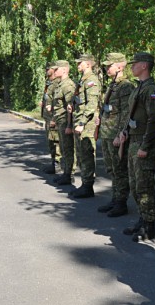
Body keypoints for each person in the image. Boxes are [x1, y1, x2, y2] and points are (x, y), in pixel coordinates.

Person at [118, 52, 155, 241]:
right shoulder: (139, 88)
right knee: (135, 185)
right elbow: (133, 116)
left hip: (144, 143)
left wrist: (145, 146)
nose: (132, 67)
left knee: (144, 186)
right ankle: (142, 219)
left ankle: (149, 224)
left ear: (144, 65)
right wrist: (124, 131)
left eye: (135, 63)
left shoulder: (151, 90)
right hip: (133, 141)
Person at [97, 52, 136, 217]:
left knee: (119, 170)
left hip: (115, 134)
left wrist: (121, 133)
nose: (106, 68)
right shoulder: (113, 85)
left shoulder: (125, 86)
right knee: (111, 169)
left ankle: (121, 202)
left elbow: (127, 113)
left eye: (109, 65)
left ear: (120, 66)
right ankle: (115, 198)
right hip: (107, 132)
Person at [69, 54, 101, 199]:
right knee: (82, 153)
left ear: (88, 64)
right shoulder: (83, 80)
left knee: (87, 153)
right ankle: (84, 184)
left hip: (86, 123)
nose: (78, 65)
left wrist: (82, 122)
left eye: (80, 63)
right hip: (79, 120)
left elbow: (91, 105)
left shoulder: (91, 81)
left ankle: (88, 186)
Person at [52, 60, 77, 186]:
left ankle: (69, 174)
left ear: (64, 70)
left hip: (65, 121)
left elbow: (70, 107)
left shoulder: (68, 85)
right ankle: (66, 172)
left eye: (56, 69)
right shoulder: (60, 84)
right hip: (60, 121)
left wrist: (69, 125)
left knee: (68, 148)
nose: (54, 71)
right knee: (63, 148)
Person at [41, 63, 62, 175]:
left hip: (54, 118)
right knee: (50, 142)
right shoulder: (49, 82)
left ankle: (58, 165)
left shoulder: (57, 83)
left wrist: (54, 118)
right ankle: (53, 162)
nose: (46, 70)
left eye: (48, 68)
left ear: (54, 70)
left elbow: (58, 103)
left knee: (56, 142)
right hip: (48, 118)